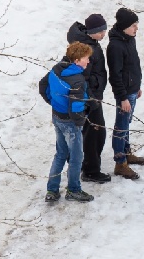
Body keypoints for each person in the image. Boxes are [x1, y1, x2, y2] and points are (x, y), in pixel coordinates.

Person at [39, 41, 94, 203]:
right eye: (86, 58)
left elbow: (43, 86)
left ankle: (52, 189)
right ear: (77, 60)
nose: (88, 61)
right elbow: (76, 108)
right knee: (77, 157)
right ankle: (73, 189)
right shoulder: (77, 80)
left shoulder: (57, 69)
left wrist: (54, 102)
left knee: (60, 153)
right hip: (70, 122)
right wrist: (80, 121)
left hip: (57, 117)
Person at [67, 14, 111, 184]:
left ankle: (88, 166)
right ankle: (91, 171)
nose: (104, 34)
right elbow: (83, 75)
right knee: (94, 133)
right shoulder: (85, 48)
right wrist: (94, 88)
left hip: (93, 96)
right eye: (101, 31)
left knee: (94, 132)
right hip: (89, 98)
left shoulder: (91, 43)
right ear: (92, 31)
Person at [107, 7, 144, 180]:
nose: (136, 28)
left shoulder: (130, 39)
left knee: (126, 123)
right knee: (121, 126)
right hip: (124, 94)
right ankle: (120, 163)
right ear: (124, 26)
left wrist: (136, 85)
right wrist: (122, 97)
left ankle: (126, 152)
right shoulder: (115, 46)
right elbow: (115, 75)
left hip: (132, 90)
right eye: (133, 25)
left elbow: (133, 65)